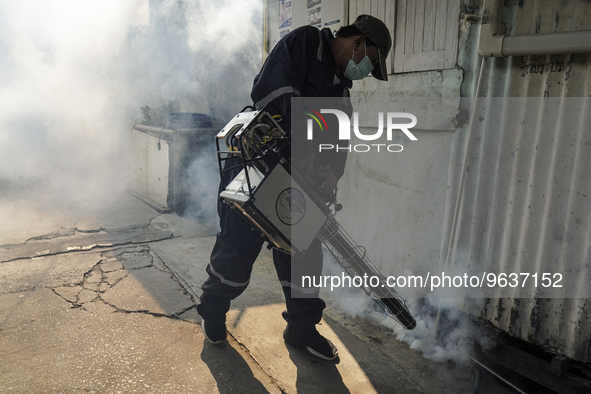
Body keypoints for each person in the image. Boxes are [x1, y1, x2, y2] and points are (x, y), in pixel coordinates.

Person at [197, 14, 392, 361]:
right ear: (358, 43)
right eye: (369, 62)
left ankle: (301, 330)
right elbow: (273, 95)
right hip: (256, 168)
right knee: (237, 252)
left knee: (304, 255)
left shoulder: (341, 91)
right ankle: (212, 310)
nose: (364, 72)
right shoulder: (305, 44)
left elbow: (336, 146)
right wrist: (302, 151)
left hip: (296, 186)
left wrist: (329, 173)